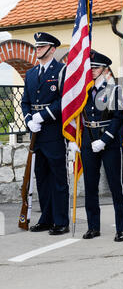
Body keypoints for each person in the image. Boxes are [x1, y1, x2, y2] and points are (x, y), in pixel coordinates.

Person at [69, 50, 123, 241]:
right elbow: (77, 115)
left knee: (115, 185)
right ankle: (94, 226)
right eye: (90, 68)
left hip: (108, 142)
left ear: (104, 69)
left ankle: (120, 228)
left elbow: (118, 118)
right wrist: (74, 139)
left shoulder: (114, 90)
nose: (92, 71)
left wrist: (105, 140)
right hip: (88, 140)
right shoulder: (84, 91)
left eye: (96, 68)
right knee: (90, 186)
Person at [21, 32, 69, 235]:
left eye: (42, 47)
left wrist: (43, 116)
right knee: (42, 178)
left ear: (52, 49)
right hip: (37, 134)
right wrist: (29, 120)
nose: (37, 49)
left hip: (53, 131)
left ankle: (61, 221)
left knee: (58, 178)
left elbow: (63, 100)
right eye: (37, 46)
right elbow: (25, 102)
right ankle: (46, 218)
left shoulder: (61, 71)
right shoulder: (31, 74)